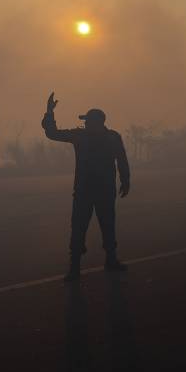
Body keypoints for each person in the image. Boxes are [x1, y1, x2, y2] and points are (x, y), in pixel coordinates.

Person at [42, 92, 131, 282]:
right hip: (92, 191)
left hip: (92, 191)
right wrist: (49, 112)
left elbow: (122, 160)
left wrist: (126, 179)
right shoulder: (104, 136)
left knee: (97, 227)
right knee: (85, 227)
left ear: (96, 122)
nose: (85, 124)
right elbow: (52, 133)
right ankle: (83, 266)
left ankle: (93, 264)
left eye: (88, 121)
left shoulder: (83, 136)